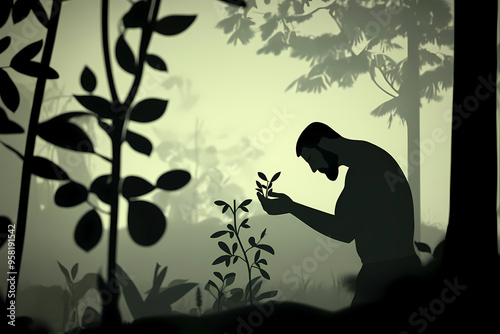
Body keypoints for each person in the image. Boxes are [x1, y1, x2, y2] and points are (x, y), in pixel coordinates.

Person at [257, 122, 421, 306]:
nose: (313, 168)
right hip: (393, 271)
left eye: (311, 158)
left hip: (385, 274)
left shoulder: (365, 169)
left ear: (325, 143)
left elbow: (343, 230)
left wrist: (291, 208)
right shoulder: (369, 158)